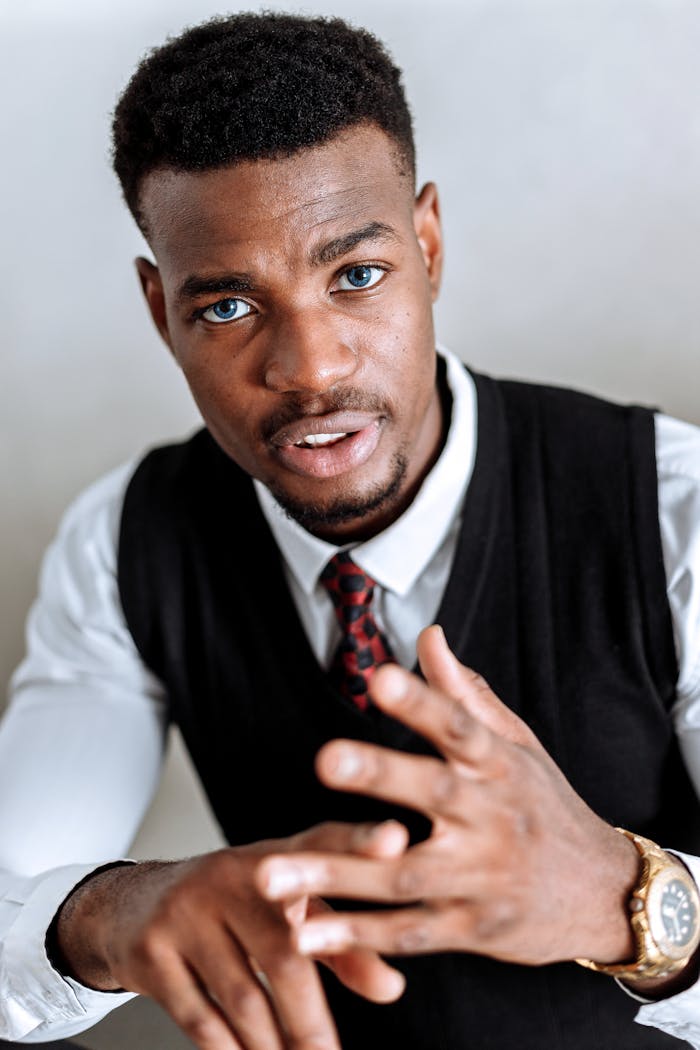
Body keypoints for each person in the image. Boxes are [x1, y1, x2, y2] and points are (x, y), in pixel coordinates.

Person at [1, 10, 700, 1049]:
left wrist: (622, 900)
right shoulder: (123, 544)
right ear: (160, 311)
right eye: (229, 307)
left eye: (355, 277)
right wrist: (108, 912)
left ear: (426, 243)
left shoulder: (668, 504)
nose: (312, 368)